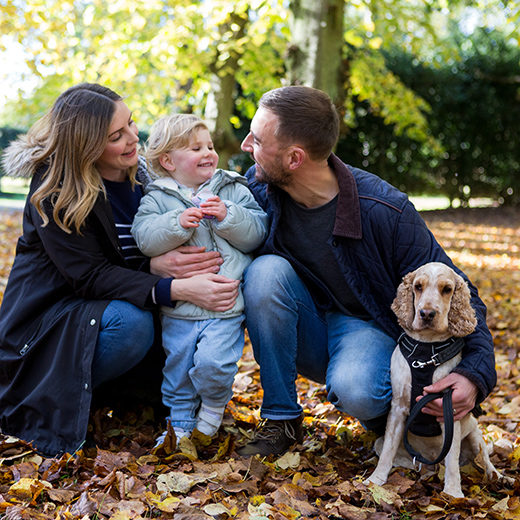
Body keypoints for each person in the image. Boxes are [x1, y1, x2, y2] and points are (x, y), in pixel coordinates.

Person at [235, 85, 496, 457]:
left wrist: (474, 375)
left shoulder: (385, 210)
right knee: (265, 272)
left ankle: (394, 415)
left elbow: (460, 291)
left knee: (358, 390)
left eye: (257, 140)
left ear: (295, 158)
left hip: (368, 328)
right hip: (306, 319)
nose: (246, 145)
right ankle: (281, 420)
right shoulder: (260, 191)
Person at [0, 84, 240, 457]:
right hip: (50, 323)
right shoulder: (57, 193)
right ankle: (63, 393)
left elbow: (137, 252)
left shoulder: (144, 179)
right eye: (117, 136)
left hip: (104, 305)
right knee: (131, 324)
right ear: (87, 145)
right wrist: (173, 285)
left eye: (131, 125)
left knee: (159, 313)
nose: (133, 139)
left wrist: (158, 265)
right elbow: (91, 276)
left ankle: (134, 395)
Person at [131, 114, 268, 442]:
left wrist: (228, 216)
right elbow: (145, 238)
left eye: (209, 145)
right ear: (168, 160)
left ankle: (212, 407)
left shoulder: (232, 188)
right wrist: (176, 224)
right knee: (177, 369)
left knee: (214, 364)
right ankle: (178, 425)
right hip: (180, 309)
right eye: (195, 148)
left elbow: (258, 232)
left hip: (224, 306)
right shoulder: (156, 197)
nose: (208, 152)